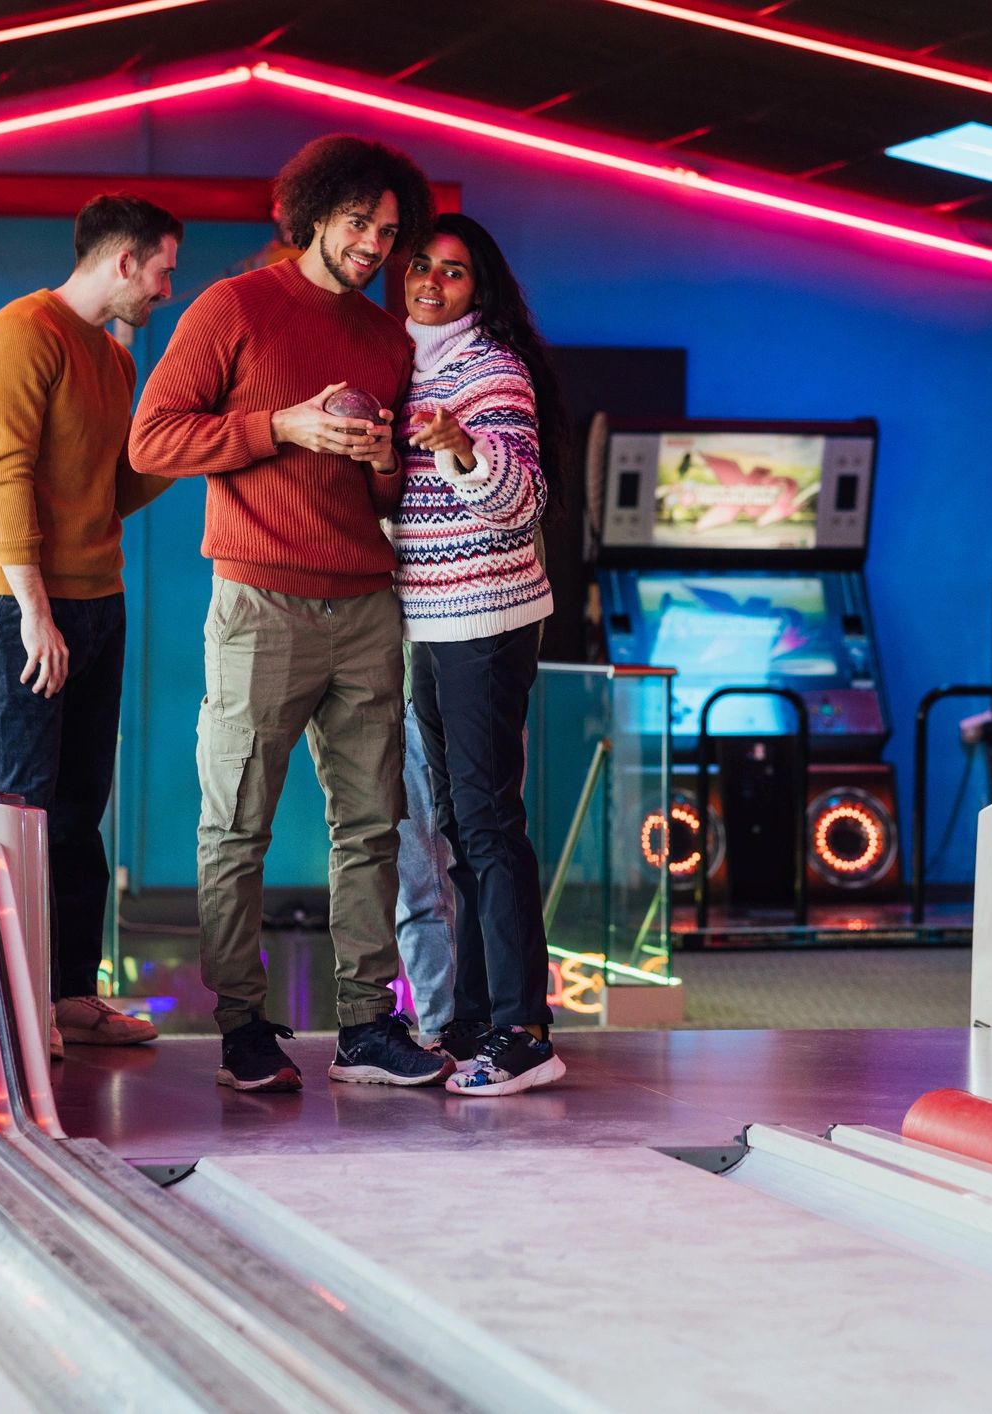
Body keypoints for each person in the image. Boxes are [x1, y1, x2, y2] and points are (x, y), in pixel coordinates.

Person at [129, 134, 445, 1092]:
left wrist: (382, 458)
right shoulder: (235, 306)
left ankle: (365, 1027)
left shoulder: (388, 339)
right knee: (237, 823)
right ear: (311, 215)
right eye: (359, 224)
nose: (374, 247)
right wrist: (284, 426)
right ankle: (240, 1029)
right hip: (259, 599)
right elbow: (153, 440)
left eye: (389, 233)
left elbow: (386, 496)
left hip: (365, 605)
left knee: (371, 829)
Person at [0, 193, 182, 1056]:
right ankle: (14, 1006)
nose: (168, 288)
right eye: (163, 269)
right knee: (20, 805)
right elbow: (1, 477)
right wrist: (34, 613)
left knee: (82, 807)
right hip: (25, 601)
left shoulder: (113, 358)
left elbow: (116, 489)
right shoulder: (20, 335)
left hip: (98, 599)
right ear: (123, 262)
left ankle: (70, 995)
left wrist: (186, 452)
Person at [395, 213, 565, 1096]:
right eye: (420, 264)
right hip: (426, 620)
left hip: (487, 618)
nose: (431, 281)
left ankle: (524, 1028)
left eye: (453, 272)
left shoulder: (491, 368)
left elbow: (522, 500)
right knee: (459, 828)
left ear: (479, 288)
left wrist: (462, 448)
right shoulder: (403, 362)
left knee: (490, 824)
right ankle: (469, 1016)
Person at [396, 673, 459, 1042]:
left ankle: (497, 1027)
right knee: (418, 885)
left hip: (484, 697)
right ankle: (440, 1030)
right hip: (406, 705)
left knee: (493, 874)